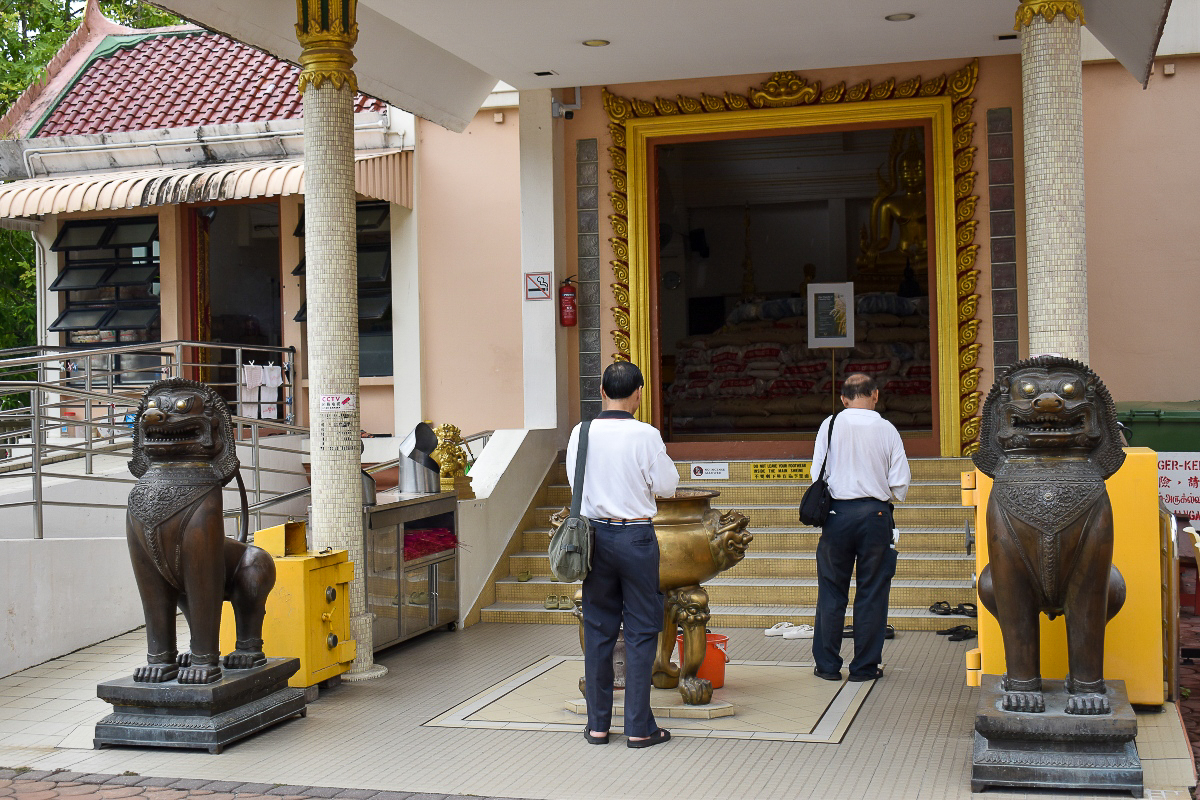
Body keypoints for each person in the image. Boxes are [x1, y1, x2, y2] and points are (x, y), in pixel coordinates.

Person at [565, 361, 679, 748]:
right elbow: (666, 485)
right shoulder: (645, 435)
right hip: (636, 538)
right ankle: (638, 727)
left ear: (602, 391)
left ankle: (598, 725)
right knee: (642, 629)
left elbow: (573, 482)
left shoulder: (581, 432)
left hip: (594, 539)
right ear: (638, 394)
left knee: (598, 630)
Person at [810, 372, 911, 682]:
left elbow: (817, 474)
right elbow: (900, 484)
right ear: (875, 395)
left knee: (831, 592)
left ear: (843, 398)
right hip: (875, 518)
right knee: (872, 593)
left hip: (836, 517)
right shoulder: (887, 429)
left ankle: (827, 666)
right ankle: (864, 668)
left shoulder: (829, 425)